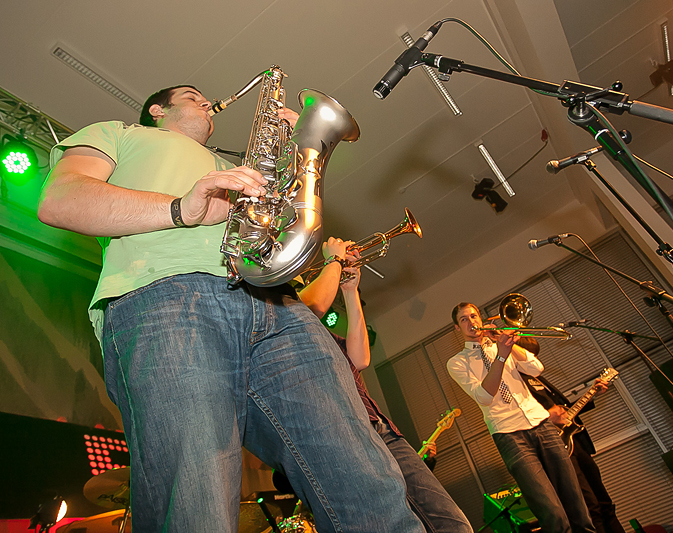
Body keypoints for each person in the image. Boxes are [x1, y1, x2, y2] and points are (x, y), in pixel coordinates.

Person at [38, 84, 425, 533]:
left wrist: (292, 156)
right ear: (157, 109)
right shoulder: (119, 133)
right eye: (191, 95)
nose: (206, 100)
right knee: (196, 500)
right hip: (166, 295)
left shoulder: (232, 165)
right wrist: (182, 209)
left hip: (278, 302)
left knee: (364, 476)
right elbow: (60, 200)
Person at [297, 245, 473, 533]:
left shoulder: (327, 337)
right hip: (347, 437)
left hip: (382, 429)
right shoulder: (288, 321)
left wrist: (350, 291)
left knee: (453, 523)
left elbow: (361, 359)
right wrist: (333, 260)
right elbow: (312, 305)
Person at [447, 302, 595, 533]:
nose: (471, 322)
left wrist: (507, 344)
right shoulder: (457, 362)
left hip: (541, 423)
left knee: (576, 503)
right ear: (457, 328)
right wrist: (501, 357)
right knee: (551, 512)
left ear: (481, 318)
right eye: (464, 319)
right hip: (509, 434)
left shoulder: (501, 345)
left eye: (474, 316)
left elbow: (536, 368)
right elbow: (484, 396)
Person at [515, 343, 625, 533]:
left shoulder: (538, 378)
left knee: (604, 501)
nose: (533, 360)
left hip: (575, 442)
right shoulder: (515, 382)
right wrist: (547, 416)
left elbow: (564, 411)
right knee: (590, 506)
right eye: (529, 356)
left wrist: (591, 395)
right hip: (555, 449)